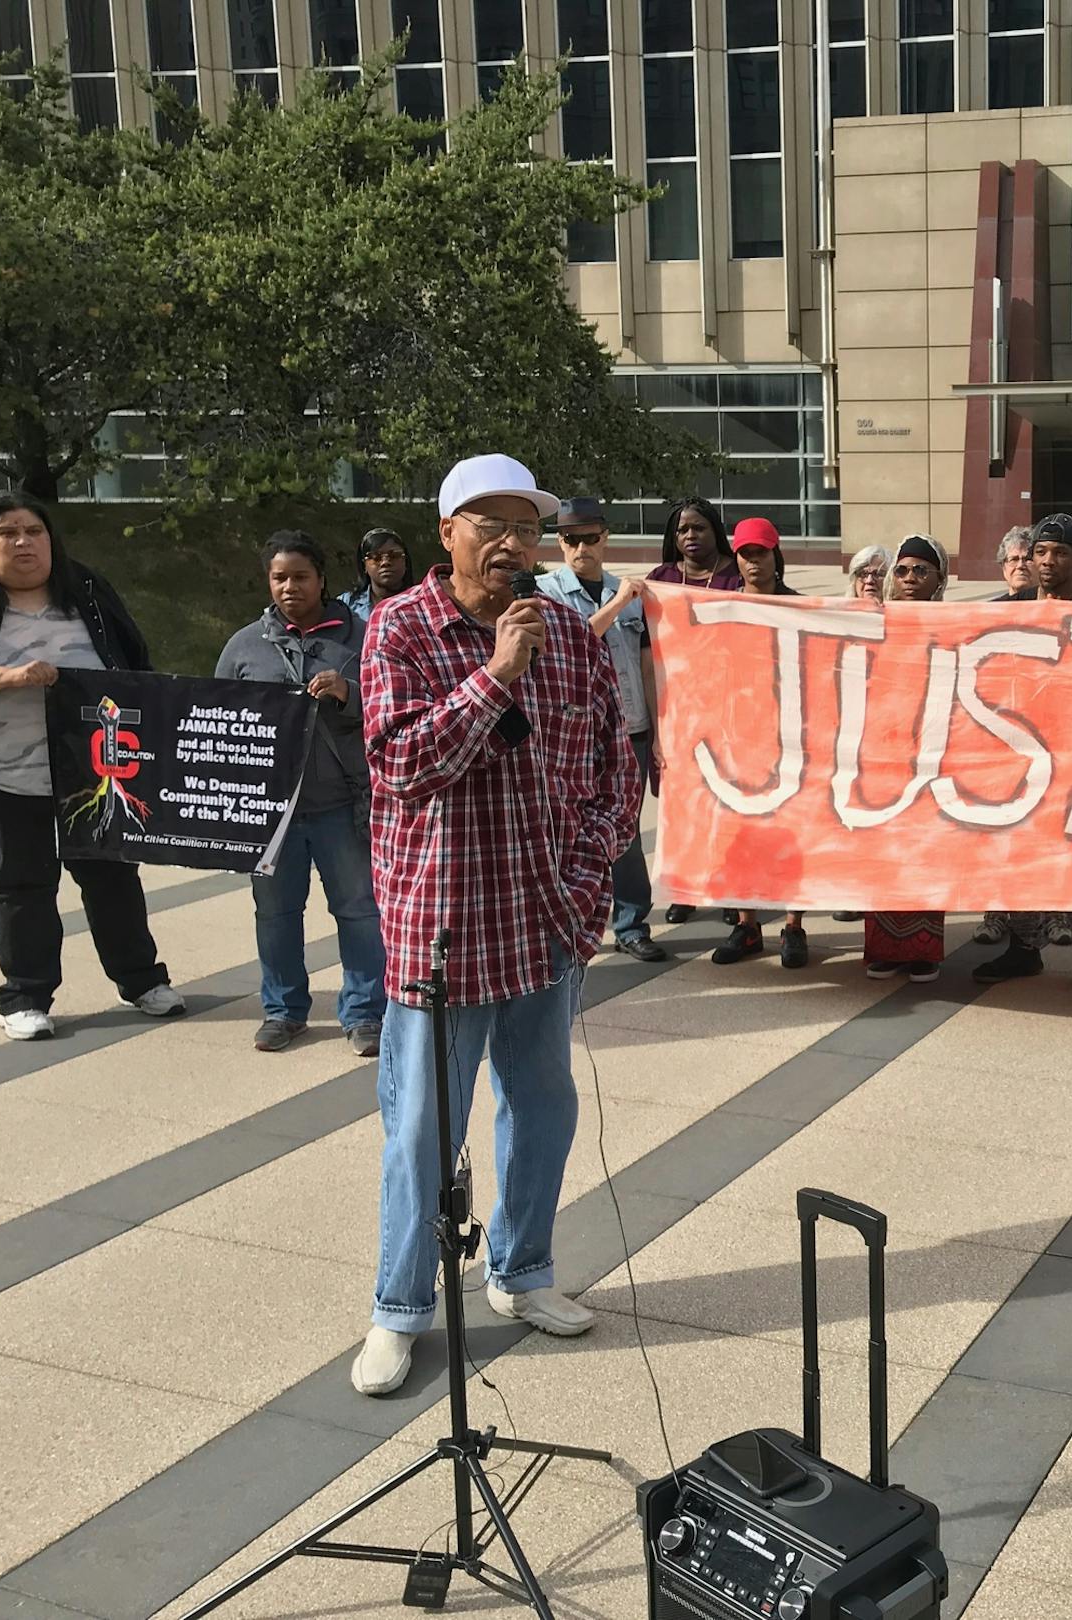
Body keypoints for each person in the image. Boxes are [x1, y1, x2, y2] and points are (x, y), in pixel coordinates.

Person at [350, 453, 641, 1397]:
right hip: (442, 925)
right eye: (491, 524)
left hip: (544, 920)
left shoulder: (570, 630)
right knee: (422, 1129)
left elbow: (613, 765)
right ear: (448, 535)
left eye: (526, 526)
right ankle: (400, 1309)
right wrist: (497, 674)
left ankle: (521, 1272)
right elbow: (399, 765)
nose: (512, 544)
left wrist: (591, 874)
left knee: (544, 1108)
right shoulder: (399, 628)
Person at [0, 493, 186, 1041]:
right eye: (7, 533)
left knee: (113, 878)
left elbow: (133, 658)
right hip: (1, 773)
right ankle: (25, 996)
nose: (24, 542)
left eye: (34, 531)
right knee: (23, 885)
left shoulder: (84, 588)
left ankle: (140, 980)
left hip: (93, 772)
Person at [215, 531, 386, 1055]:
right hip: (273, 814)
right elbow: (216, 720)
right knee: (276, 914)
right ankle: (283, 1011)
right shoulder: (245, 645)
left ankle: (364, 1013)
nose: (290, 587)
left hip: (344, 803)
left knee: (359, 911)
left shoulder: (362, 636)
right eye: (279, 577)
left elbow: (393, 704)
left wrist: (347, 693)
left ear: (322, 579)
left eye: (301, 576)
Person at [978, 512, 1072, 998]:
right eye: (1040, 552)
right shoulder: (1008, 608)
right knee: (1021, 854)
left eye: (1059, 553)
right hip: (1019, 756)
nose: (1046, 561)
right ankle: (1024, 947)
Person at [542, 496, 665, 965]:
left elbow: (647, 665)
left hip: (629, 727)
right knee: (570, 827)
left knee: (625, 829)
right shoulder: (548, 592)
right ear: (560, 543)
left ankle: (631, 923)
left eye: (590, 538)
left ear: (605, 538)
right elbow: (572, 641)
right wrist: (617, 603)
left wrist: (657, 729)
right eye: (571, 540)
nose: (581, 548)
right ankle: (574, 918)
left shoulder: (629, 593)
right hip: (573, 729)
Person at [712, 517, 812, 970]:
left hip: (795, 735)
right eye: (745, 553)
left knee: (795, 833)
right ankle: (748, 923)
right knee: (743, 833)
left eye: (761, 553)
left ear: (777, 555)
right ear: (736, 557)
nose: (754, 562)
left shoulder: (802, 607)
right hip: (740, 735)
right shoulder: (723, 607)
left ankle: (794, 924)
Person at [646, 496, 740, 926]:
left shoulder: (735, 577)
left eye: (698, 528)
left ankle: (727, 889)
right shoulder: (661, 580)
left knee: (727, 802)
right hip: (677, 711)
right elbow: (647, 654)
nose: (689, 536)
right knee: (683, 807)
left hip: (732, 708)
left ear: (715, 530)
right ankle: (684, 890)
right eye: (682, 530)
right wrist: (656, 723)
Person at [862, 535, 952, 982]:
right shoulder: (878, 619)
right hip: (882, 753)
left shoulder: (960, 623)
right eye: (903, 570)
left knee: (924, 852)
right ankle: (883, 949)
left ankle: (922, 951)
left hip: (935, 754)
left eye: (921, 570)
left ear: (940, 578)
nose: (911, 578)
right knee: (883, 852)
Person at [972, 526, 1042, 948]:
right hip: (998, 743)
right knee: (996, 835)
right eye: (1012, 560)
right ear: (1002, 570)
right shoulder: (985, 615)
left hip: (1049, 740)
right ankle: (995, 912)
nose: (1021, 565)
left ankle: (1054, 916)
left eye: (1026, 557)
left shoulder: (1067, 610)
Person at [340, 528, 417, 624]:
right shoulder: (346, 604)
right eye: (376, 557)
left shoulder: (422, 602)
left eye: (394, 556)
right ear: (364, 565)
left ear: (406, 562)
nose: (385, 562)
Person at [994, 526, 1034, 600]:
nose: (1020, 565)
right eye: (1014, 559)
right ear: (1003, 567)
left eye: (1028, 559)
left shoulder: (1053, 608)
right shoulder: (992, 609)